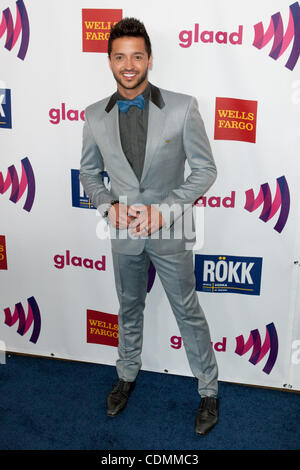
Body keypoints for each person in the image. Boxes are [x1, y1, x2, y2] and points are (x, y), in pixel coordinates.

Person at [80, 17, 219, 435]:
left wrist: (166, 210)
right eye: (120, 57)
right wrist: (107, 206)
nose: (128, 64)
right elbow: (89, 174)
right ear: (108, 61)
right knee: (129, 306)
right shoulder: (93, 116)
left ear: (149, 59)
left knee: (187, 311)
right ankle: (126, 375)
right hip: (122, 233)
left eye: (136, 56)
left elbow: (205, 170)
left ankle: (209, 390)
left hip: (171, 230)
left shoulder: (182, 107)